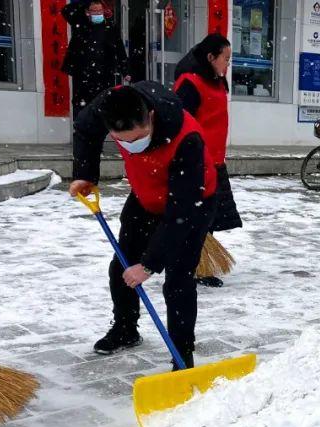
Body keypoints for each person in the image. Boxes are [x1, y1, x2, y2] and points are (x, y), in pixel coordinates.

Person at [70, 82, 218, 367]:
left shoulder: (187, 138)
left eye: (138, 139)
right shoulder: (108, 105)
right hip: (145, 196)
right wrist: (86, 174)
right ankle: (126, 329)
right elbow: (85, 129)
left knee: (178, 280)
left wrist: (150, 264)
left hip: (192, 204)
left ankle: (182, 353)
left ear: (150, 116)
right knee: (122, 266)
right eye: (122, 141)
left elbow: (181, 212)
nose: (131, 147)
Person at [173, 33, 241, 288]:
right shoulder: (189, 83)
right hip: (196, 164)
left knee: (210, 217)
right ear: (210, 57)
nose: (228, 64)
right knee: (195, 218)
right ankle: (188, 267)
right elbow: (180, 123)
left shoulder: (217, 81)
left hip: (215, 161)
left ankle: (198, 265)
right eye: (225, 58)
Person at [62, 0, 129, 116]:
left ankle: (99, 130)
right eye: (94, 11)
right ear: (88, 12)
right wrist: (84, 3)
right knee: (81, 105)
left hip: (104, 74)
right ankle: (81, 129)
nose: (98, 14)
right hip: (82, 74)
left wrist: (125, 70)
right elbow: (66, 10)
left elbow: (119, 50)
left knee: (102, 104)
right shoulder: (81, 24)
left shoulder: (110, 27)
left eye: (100, 11)